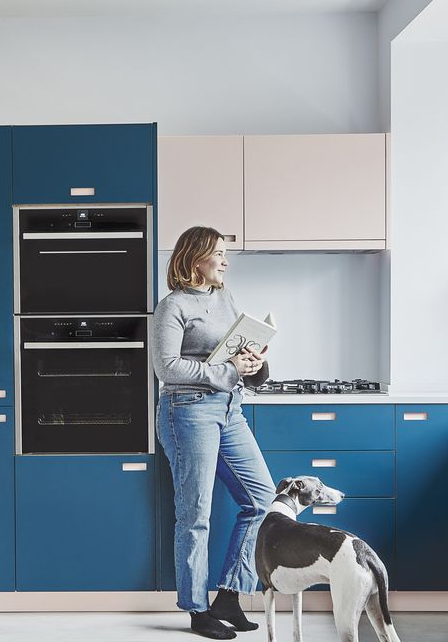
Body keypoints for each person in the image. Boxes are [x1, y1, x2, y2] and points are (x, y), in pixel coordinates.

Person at [153, 226, 275, 640]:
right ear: (194, 259)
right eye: (219, 254)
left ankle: (230, 595)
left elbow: (232, 356)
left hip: (230, 409)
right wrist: (227, 371)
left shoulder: (224, 297)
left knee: (261, 498)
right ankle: (196, 609)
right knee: (195, 514)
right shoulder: (172, 306)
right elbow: (167, 368)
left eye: (225, 254)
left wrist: (254, 363)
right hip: (186, 412)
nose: (225, 261)